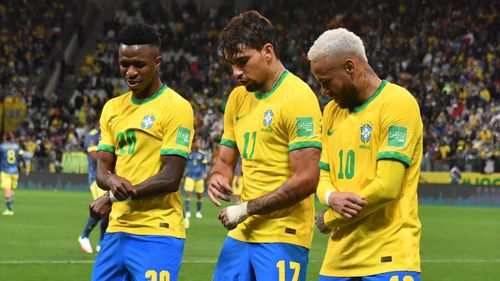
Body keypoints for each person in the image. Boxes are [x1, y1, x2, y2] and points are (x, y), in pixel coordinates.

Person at [207, 10, 322, 281]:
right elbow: (225, 161)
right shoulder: (237, 99)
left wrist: (246, 209)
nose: (236, 73)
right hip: (241, 232)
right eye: (231, 65)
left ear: (268, 51)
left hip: (283, 234)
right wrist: (216, 177)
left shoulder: (298, 97)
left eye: (242, 62)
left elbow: (308, 178)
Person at [308, 28, 423, 281]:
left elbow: (386, 187)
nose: (324, 91)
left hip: (389, 259)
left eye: (326, 82)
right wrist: (330, 196)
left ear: (350, 66)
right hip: (337, 262)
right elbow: (324, 174)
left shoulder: (397, 103)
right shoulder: (331, 113)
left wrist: (330, 218)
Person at [88, 22, 194, 281]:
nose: (131, 72)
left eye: (139, 65)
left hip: (158, 232)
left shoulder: (176, 107)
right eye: (124, 64)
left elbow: (171, 177)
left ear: (157, 63)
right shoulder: (112, 108)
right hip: (116, 231)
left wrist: (113, 197)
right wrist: (112, 180)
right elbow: (102, 169)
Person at [78, 118, 109, 253]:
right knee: (104, 208)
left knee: (109, 211)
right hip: (97, 178)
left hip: (109, 178)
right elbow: (94, 155)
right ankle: (84, 235)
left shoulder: (111, 133)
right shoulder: (93, 135)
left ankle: (101, 243)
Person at [183, 137, 207, 228]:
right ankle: (188, 211)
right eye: (197, 143)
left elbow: (204, 166)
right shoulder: (188, 153)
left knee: (199, 195)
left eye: (200, 143)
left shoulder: (202, 154)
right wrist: (182, 176)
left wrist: (205, 173)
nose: (199, 145)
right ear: (193, 144)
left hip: (199, 177)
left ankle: (198, 211)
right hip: (189, 176)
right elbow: (184, 165)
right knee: (188, 193)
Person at [1, 133, 24, 216]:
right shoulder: (17, 146)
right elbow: (21, 155)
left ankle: (9, 209)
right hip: (15, 171)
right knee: (11, 190)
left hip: (5, 171)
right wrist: (24, 166)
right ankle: (10, 208)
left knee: (7, 190)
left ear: (5, 138)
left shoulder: (2, 147)